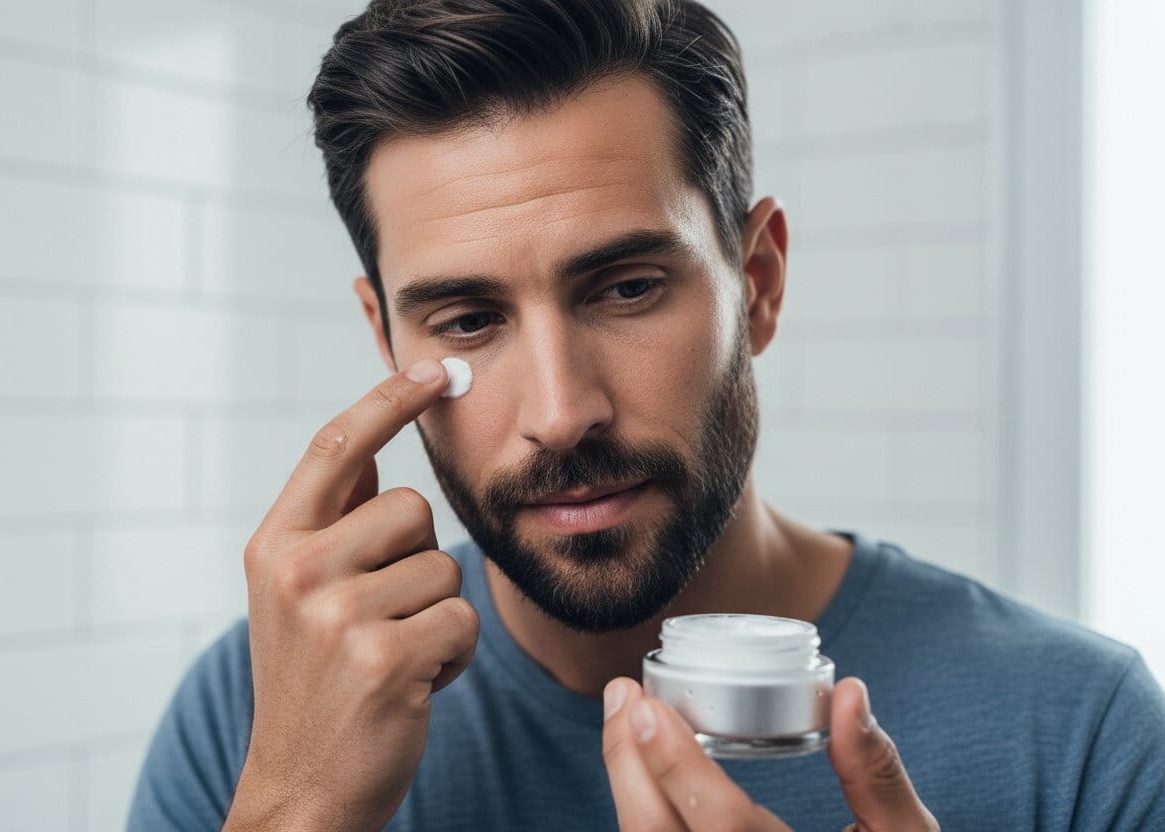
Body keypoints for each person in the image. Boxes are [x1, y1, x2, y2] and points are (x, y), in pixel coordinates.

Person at [126, 1, 1165, 829]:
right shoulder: (259, 711)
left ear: (756, 282)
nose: (561, 411)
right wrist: (298, 809)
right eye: (469, 318)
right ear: (388, 342)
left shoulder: (1080, 733)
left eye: (625, 289)